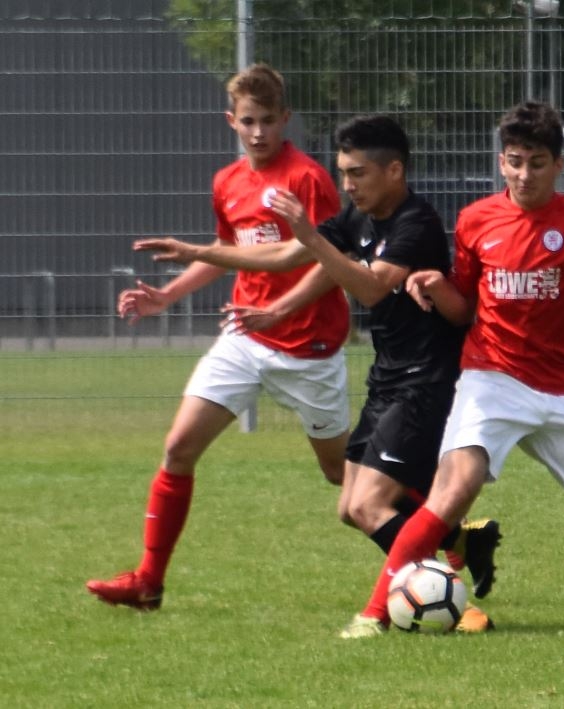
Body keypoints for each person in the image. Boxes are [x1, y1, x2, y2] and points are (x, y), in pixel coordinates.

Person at [133, 115, 502, 635]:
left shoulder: (414, 223)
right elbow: (286, 254)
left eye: (358, 173)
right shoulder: (358, 218)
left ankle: (439, 605)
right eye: (343, 172)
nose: (348, 184)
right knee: (349, 506)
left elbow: (370, 287)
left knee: (370, 505)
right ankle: (459, 545)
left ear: (394, 171)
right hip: (389, 376)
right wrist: (200, 253)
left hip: (427, 380)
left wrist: (310, 236)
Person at [342, 100, 564, 636]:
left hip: (562, 391)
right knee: (454, 492)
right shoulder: (475, 220)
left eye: (537, 163)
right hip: (490, 378)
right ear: (502, 161)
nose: (525, 174)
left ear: (558, 165)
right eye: (515, 162)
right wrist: (437, 286)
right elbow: (465, 310)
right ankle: (375, 613)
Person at [86, 63, 352, 610]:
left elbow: (329, 261)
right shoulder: (227, 182)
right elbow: (226, 251)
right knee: (179, 447)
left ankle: (449, 531)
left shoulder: (306, 179)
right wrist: (168, 295)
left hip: (308, 346)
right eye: (248, 122)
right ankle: (148, 582)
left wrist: (279, 309)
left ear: (286, 119)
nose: (259, 132)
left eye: (268, 121)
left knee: (340, 475)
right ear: (232, 121)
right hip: (245, 337)